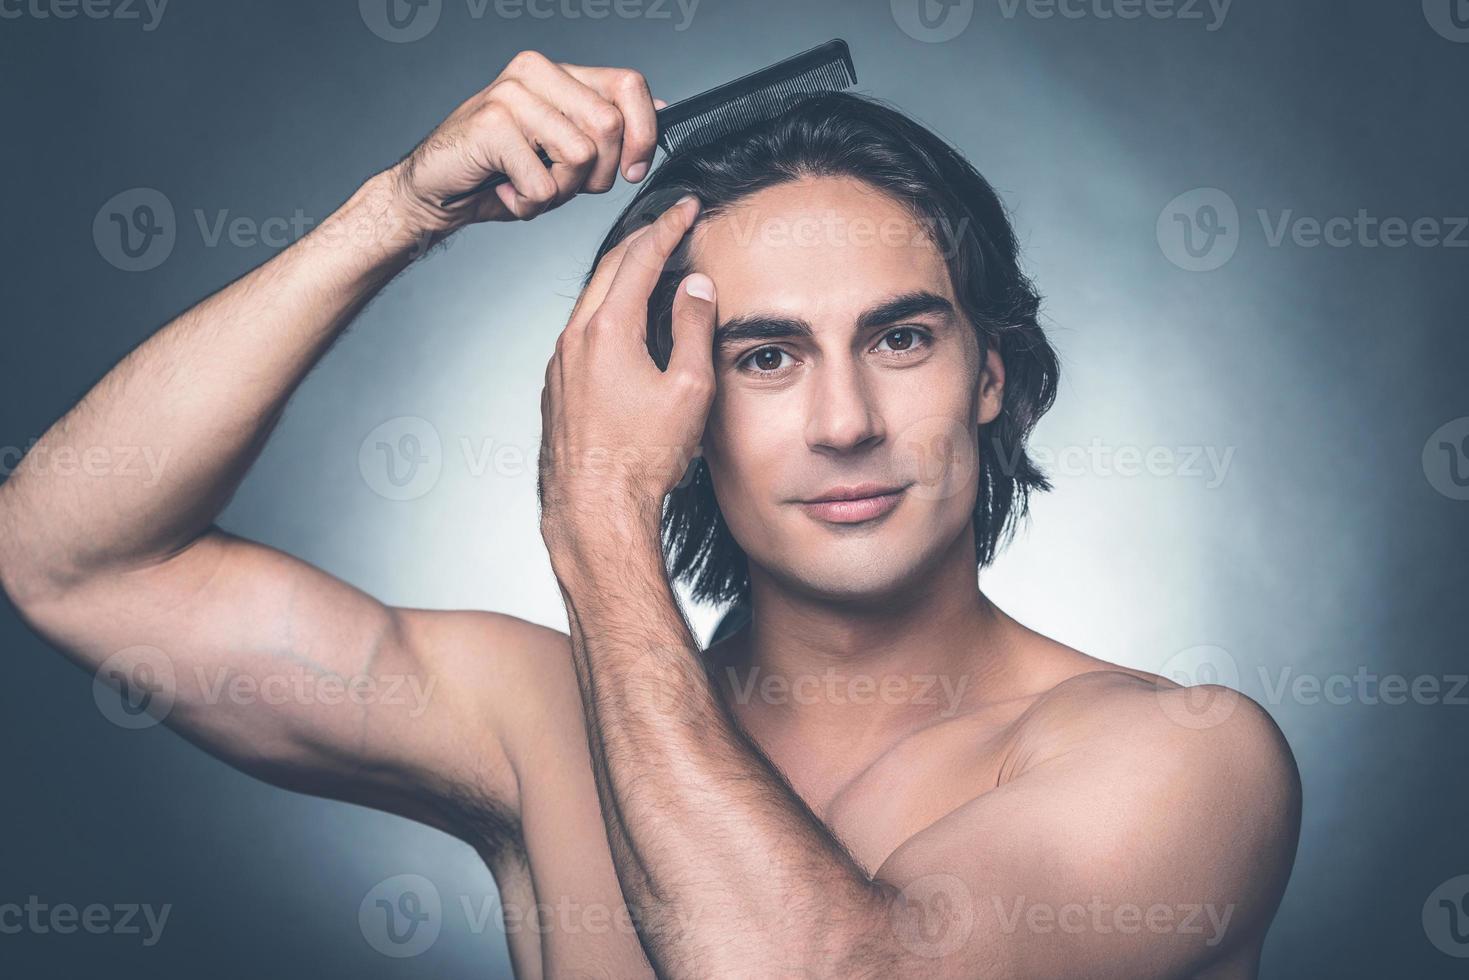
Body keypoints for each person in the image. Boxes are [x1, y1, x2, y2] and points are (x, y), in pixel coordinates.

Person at [0, 50, 1301, 978]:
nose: (842, 419)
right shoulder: (539, 729)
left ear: (989, 376)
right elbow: (73, 559)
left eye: (899, 338)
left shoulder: (1177, 760)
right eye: (764, 356)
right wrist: (400, 212)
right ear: (670, 401)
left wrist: (598, 527)